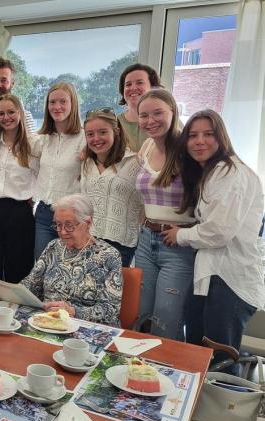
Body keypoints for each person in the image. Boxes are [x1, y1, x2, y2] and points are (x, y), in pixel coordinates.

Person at [162, 110, 264, 369]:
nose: (199, 141)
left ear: (221, 137)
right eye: (193, 135)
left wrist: (180, 234)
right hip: (212, 275)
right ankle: (197, 403)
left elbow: (219, 231)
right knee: (200, 348)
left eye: (208, 134)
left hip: (229, 278)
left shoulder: (229, 172)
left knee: (221, 358)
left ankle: (225, 407)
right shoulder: (213, 172)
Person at [134, 89, 195, 341]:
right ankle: (137, 373)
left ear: (173, 112)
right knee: (141, 314)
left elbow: (206, 197)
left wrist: (185, 231)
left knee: (166, 318)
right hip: (147, 239)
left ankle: (165, 374)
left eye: (158, 113)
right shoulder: (147, 146)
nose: (151, 121)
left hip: (177, 245)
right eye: (144, 115)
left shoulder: (188, 149)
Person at [21, 194, 122, 326]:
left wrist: (73, 311)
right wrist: (9, 292)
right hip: (48, 322)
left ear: (88, 222)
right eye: (58, 225)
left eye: (69, 225)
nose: (62, 232)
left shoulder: (109, 256)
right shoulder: (54, 247)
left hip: (85, 327)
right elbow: (30, 285)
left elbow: (111, 310)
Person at [0, 94, 40, 294]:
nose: (6, 117)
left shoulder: (33, 143)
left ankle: (16, 314)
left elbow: (43, 174)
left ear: (20, 113)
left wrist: (33, 197)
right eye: (1, 113)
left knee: (18, 266)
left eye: (11, 112)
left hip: (20, 211)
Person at [80, 108, 142, 266]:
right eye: (90, 134)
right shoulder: (86, 164)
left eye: (103, 132)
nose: (96, 139)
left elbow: (144, 203)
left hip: (121, 245)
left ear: (116, 132)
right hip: (89, 241)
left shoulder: (134, 162)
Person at [34, 81, 86, 260]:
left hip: (72, 215)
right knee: (42, 268)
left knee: (70, 269)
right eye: (52, 102)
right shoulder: (43, 139)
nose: (57, 107)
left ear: (73, 104)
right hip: (44, 213)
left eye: (63, 101)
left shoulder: (84, 138)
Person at [117, 64, 162, 153]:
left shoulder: (166, 120)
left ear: (153, 88)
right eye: (128, 84)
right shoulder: (115, 123)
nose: (133, 88)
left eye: (140, 82)